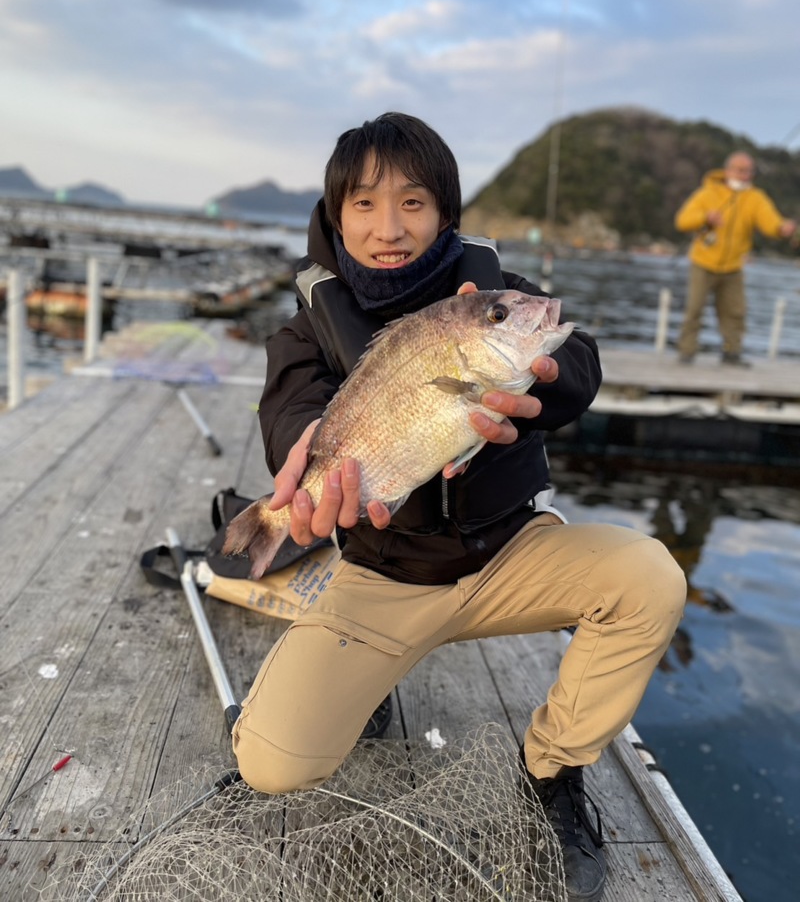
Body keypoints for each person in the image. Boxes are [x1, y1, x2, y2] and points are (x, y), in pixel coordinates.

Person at [232, 113, 686, 902]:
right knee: (271, 765)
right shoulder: (305, 330)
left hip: (511, 554)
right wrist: (305, 452)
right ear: (336, 217)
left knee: (649, 576)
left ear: (445, 213)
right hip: (385, 581)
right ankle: (337, 689)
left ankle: (550, 776)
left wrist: (536, 378)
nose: (389, 227)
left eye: (413, 203)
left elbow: (578, 362)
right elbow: (292, 414)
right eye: (364, 205)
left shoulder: (486, 301)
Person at [674, 151, 797, 366]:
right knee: (694, 309)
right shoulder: (707, 193)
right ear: (728, 170)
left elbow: (769, 221)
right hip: (703, 261)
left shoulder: (756, 197)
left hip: (733, 265)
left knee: (735, 312)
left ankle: (732, 353)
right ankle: (687, 352)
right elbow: (682, 221)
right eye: (740, 170)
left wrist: (781, 227)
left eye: (749, 171)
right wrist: (706, 217)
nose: (745, 175)